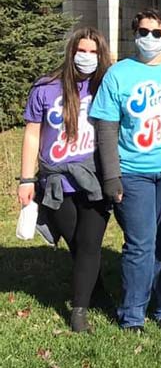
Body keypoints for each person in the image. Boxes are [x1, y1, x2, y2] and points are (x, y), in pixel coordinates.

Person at [89, 9, 161, 331]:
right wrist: (111, 176)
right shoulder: (118, 74)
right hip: (133, 172)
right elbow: (106, 128)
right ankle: (133, 313)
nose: (149, 38)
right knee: (140, 244)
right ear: (134, 33)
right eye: (143, 31)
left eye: (157, 33)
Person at [17, 27, 111, 332]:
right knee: (76, 242)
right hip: (56, 181)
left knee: (89, 243)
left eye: (93, 52)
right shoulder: (45, 88)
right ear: (71, 52)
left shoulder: (107, 87)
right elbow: (32, 135)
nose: (87, 57)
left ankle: (79, 310)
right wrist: (26, 179)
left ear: (101, 56)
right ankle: (97, 291)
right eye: (81, 50)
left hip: (94, 179)